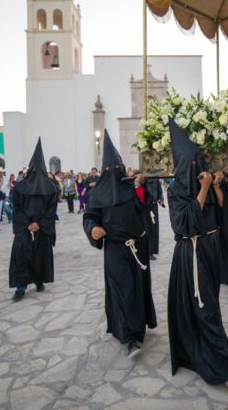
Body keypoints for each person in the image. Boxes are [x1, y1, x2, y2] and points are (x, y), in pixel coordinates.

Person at [165, 119, 228, 390]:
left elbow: (224, 214)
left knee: (207, 306)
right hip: (192, 251)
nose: (196, 167)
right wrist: (202, 188)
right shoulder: (175, 190)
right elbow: (186, 222)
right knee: (206, 308)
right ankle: (223, 367)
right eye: (191, 162)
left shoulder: (208, 183)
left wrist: (217, 187)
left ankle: (199, 351)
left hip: (211, 248)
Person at [83, 131, 157, 358]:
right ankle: (130, 337)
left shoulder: (131, 186)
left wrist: (139, 187)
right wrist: (93, 229)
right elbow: (90, 217)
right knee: (123, 290)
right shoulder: (96, 193)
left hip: (138, 247)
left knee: (138, 288)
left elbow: (146, 206)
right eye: (109, 169)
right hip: (115, 249)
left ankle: (139, 325)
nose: (113, 174)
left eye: (117, 168)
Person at [9, 138, 59, 301]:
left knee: (40, 257)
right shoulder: (20, 187)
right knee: (22, 257)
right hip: (25, 230)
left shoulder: (51, 187)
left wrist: (39, 224)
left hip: (41, 229)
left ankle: (38, 281)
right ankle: (21, 287)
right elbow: (16, 207)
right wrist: (28, 224)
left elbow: (52, 210)